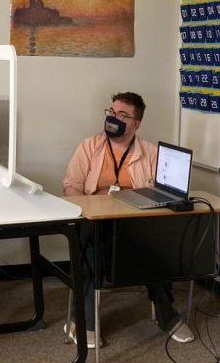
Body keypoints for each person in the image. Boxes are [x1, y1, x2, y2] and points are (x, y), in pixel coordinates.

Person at [62, 92, 194, 348]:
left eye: (122, 115)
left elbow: (163, 192)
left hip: (134, 225)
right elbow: (71, 185)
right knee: (89, 249)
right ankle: (85, 321)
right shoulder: (89, 146)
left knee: (158, 248)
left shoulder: (151, 153)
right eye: (111, 112)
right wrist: (87, 210)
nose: (114, 118)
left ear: (136, 124)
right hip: (95, 222)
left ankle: (167, 317)